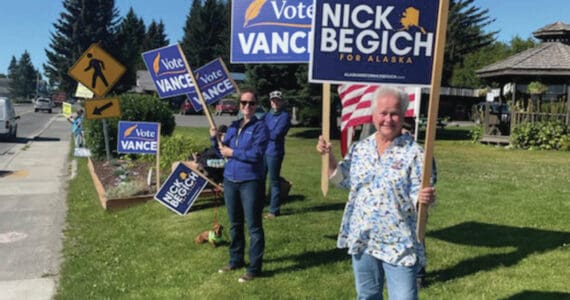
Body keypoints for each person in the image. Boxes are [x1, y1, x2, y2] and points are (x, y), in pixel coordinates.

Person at [316, 86, 436, 299]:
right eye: (383, 113)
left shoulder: (416, 154)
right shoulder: (360, 149)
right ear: (373, 115)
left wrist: (424, 199)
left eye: (394, 113)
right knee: (367, 296)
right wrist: (329, 157)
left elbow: (420, 198)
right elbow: (342, 179)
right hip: (364, 238)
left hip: (399, 243)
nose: (388, 119)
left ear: (403, 115)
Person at [211, 89, 269, 283]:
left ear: (256, 105)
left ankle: (254, 268)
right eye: (244, 103)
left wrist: (232, 152)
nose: (247, 106)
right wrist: (214, 139)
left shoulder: (261, 127)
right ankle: (236, 259)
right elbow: (221, 152)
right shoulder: (234, 126)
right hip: (230, 180)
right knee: (235, 224)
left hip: (251, 181)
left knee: (253, 226)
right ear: (239, 105)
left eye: (251, 103)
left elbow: (256, 155)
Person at [263, 90, 291, 219]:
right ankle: (259, 204)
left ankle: (274, 210)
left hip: (274, 152)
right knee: (259, 178)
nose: (275, 102)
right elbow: (259, 128)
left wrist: (263, 134)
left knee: (273, 181)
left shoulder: (285, 116)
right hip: (263, 150)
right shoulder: (267, 115)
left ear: (282, 101)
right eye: (273, 100)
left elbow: (277, 134)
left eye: (277, 100)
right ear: (270, 101)